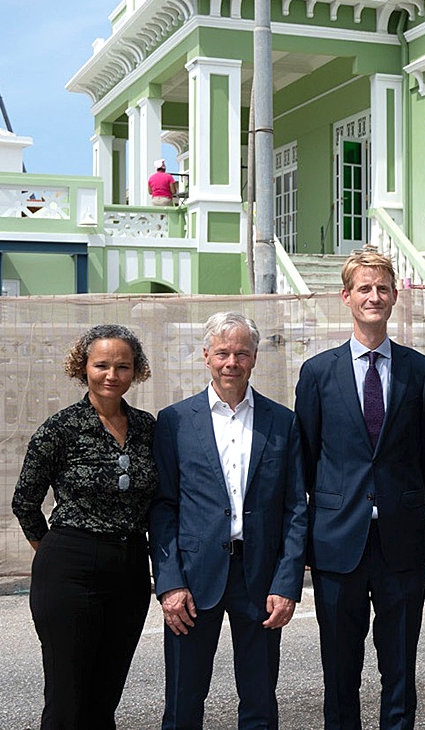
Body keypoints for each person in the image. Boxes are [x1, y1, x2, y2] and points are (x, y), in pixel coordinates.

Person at [295, 249, 425, 730]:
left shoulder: (421, 371)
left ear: (395, 295)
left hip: (401, 540)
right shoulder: (318, 373)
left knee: (399, 665)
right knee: (340, 669)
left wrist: (399, 499)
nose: (373, 296)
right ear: (346, 297)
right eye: (364, 288)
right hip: (338, 543)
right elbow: (308, 455)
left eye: (382, 288)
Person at [149, 312, 307, 730]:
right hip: (192, 579)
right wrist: (169, 583)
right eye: (222, 353)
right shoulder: (176, 422)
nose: (231, 362)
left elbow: (295, 509)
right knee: (183, 699)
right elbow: (163, 508)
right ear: (206, 356)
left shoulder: (282, 422)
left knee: (259, 698)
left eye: (241, 353)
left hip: (259, 579)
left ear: (254, 358)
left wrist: (287, 583)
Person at [11, 324, 156, 730]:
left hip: (129, 568)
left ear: (136, 371)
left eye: (123, 366)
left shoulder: (148, 429)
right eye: (102, 365)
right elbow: (25, 500)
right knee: (67, 698)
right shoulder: (61, 429)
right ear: (83, 368)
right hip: (70, 568)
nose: (112, 375)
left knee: (105, 696)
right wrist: (57, 552)